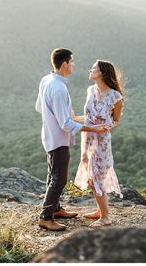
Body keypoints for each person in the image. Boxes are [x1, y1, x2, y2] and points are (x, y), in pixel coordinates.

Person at [35, 48, 108, 231]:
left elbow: (39, 107)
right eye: (72, 61)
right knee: (59, 179)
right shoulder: (58, 87)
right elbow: (66, 125)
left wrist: (57, 117)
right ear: (65, 63)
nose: (74, 64)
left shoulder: (47, 80)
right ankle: (46, 217)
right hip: (59, 139)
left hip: (49, 135)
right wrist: (93, 128)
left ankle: (56, 208)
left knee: (53, 174)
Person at [73, 59, 125, 228]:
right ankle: (100, 211)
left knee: (98, 176)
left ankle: (106, 217)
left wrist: (106, 127)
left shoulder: (116, 97)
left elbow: (116, 120)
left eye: (93, 68)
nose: (90, 69)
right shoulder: (90, 90)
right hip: (87, 139)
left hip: (101, 140)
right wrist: (74, 118)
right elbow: (89, 117)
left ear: (102, 72)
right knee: (90, 176)